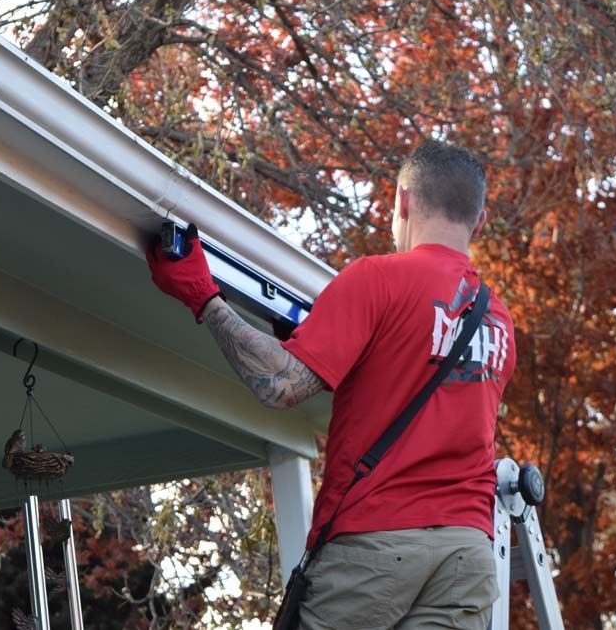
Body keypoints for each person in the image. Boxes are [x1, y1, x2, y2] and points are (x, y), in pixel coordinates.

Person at [145, 141, 516, 629]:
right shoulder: (499, 320)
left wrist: (204, 297)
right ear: (480, 221)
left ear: (402, 200)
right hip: (467, 554)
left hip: (377, 544)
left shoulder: (379, 279)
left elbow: (281, 385)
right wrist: (318, 342)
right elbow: (412, 380)